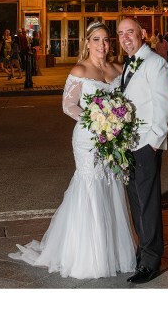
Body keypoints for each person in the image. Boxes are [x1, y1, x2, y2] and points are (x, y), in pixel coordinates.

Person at [9, 21, 136, 279]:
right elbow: (69, 105)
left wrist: (116, 124)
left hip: (111, 138)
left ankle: (113, 250)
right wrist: (97, 120)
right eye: (97, 39)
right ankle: (88, 254)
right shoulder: (80, 69)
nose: (102, 44)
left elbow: (126, 102)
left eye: (106, 40)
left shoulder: (117, 69)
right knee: (90, 186)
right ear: (87, 43)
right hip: (88, 139)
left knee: (111, 184)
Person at [117, 16, 168, 284]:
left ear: (142, 33)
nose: (125, 37)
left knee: (148, 204)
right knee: (137, 203)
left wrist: (152, 144)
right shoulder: (129, 64)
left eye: (130, 32)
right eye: (121, 33)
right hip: (129, 143)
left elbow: (164, 106)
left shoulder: (155, 63)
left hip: (145, 145)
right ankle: (143, 254)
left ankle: (151, 261)